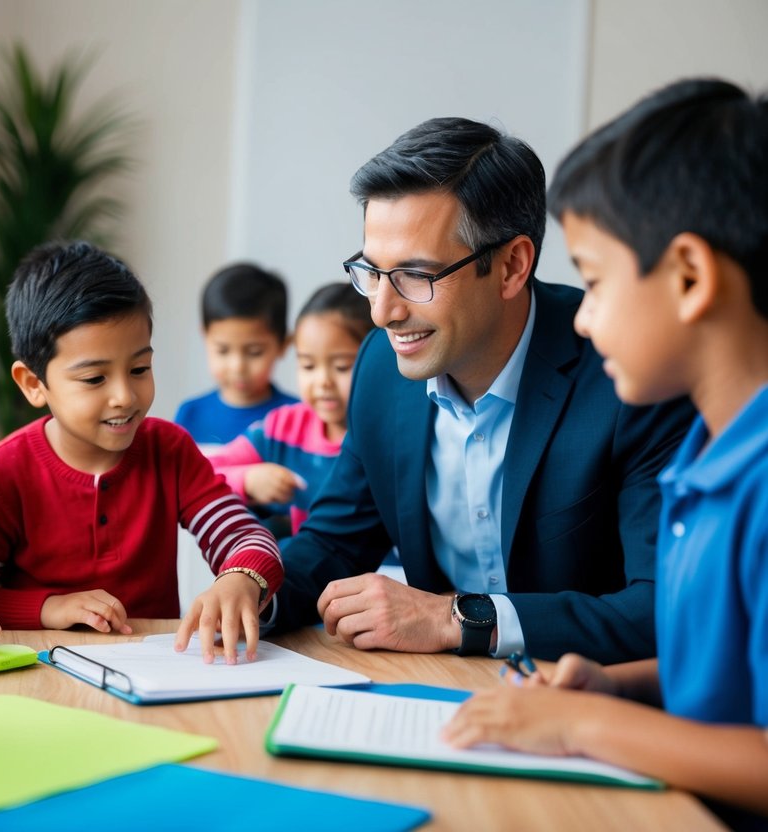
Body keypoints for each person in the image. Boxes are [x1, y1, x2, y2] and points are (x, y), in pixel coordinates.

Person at [444, 78, 768, 827]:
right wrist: (621, 689)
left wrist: (588, 727)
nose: (581, 323)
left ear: (688, 276)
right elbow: (733, 685)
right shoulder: (703, 455)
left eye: (592, 282)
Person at [269, 116, 696, 664]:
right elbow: (333, 541)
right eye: (372, 272)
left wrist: (456, 619)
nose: (382, 311)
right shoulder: (381, 368)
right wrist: (254, 585)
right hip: (436, 695)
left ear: (512, 266)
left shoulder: (626, 378)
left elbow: (659, 608)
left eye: (416, 277)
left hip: (580, 702)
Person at [0, 241, 283, 663]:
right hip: (35, 670)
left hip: (156, 668)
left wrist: (240, 578)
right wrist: (50, 608)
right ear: (33, 383)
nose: (124, 396)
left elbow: (247, 537)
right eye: (94, 378)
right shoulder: (3, 472)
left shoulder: (168, 450)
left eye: (139, 369)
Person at [208, 282, 373, 535]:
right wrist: (248, 479)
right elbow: (201, 472)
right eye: (308, 366)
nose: (323, 382)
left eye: (341, 367)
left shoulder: (388, 440)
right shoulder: (283, 429)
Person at [174, 263, 297, 445]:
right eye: (223, 350)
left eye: (254, 352)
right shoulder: (190, 414)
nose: (237, 366)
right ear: (205, 338)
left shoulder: (297, 418)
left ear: (283, 345)